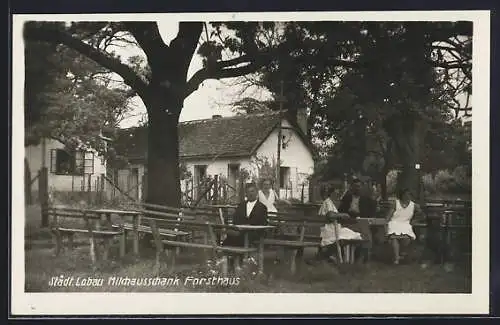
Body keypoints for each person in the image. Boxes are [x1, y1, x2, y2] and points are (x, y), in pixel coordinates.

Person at [222, 182, 268, 270]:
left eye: (253, 191)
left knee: (237, 237)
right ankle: (232, 264)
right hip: (241, 232)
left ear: (257, 193)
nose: (251, 193)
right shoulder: (241, 205)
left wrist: (249, 225)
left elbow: (263, 222)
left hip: (254, 233)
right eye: (248, 192)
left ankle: (237, 264)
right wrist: (241, 226)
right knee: (231, 238)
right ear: (246, 194)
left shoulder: (262, 207)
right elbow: (236, 219)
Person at [314, 187, 363, 264]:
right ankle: (328, 256)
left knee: (355, 235)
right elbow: (330, 215)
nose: (339, 195)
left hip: (333, 229)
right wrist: (342, 215)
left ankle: (347, 260)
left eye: (340, 193)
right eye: (337, 193)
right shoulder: (328, 202)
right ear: (331, 194)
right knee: (355, 236)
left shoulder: (331, 203)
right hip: (329, 231)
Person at [337, 178, 376, 263]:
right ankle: (353, 257)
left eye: (358, 186)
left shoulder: (366, 199)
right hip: (349, 222)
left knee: (366, 234)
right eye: (355, 186)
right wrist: (348, 213)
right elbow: (340, 211)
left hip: (361, 221)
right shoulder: (347, 198)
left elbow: (372, 213)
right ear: (351, 188)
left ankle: (363, 257)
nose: (357, 188)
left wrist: (359, 213)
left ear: (362, 187)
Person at [385, 188, 424, 265]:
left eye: (409, 195)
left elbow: (422, 215)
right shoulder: (396, 203)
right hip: (394, 222)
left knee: (406, 238)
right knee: (394, 237)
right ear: (401, 196)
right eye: (405, 195)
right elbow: (388, 216)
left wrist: (415, 220)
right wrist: (386, 224)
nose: (407, 197)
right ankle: (396, 259)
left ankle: (401, 253)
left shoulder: (414, 205)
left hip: (405, 223)